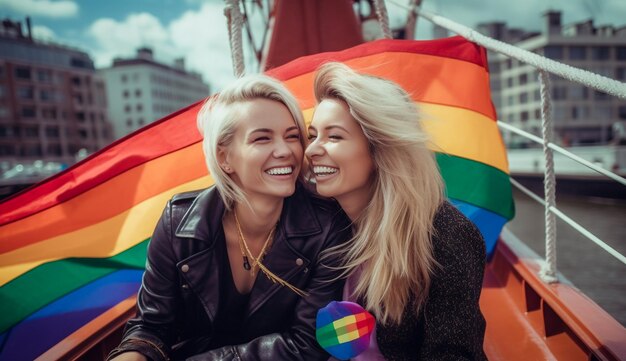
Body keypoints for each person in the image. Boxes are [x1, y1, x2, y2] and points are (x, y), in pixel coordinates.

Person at [107, 74, 352, 361]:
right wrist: (132, 354)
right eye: (262, 138)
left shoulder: (328, 227)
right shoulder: (179, 223)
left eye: (292, 136)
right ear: (224, 157)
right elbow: (152, 326)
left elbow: (307, 345)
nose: (286, 151)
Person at [305, 62, 487, 360]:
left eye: (334, 137)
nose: (312, 150)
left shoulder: (445, 236)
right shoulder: (322, 222)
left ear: (381, 149)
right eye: (313, 135)